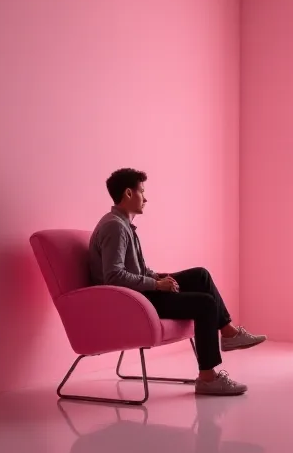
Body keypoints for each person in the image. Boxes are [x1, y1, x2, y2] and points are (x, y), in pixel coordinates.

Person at [88, 168, 265, 395]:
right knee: (205, 304)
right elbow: (114, 276)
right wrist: (156, 285)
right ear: (129, 194)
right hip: (131, 301)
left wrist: (157, 277)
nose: (146, 197)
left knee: (200, 275)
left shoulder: (122, 224)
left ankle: (229, 333)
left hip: (139, 293)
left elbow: (136, 269)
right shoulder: (115, 227)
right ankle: (208, 378)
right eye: (142, 191)